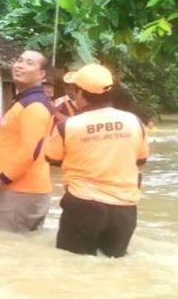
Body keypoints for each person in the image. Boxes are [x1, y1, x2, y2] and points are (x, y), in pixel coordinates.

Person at [44, 64, 149, 258]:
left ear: (81, 93)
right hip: (125, 209)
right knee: (114, 267)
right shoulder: (134, 121)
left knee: (73, 266)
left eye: (74, 91)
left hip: (83, 206)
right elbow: (141, 159)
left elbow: (51, 157)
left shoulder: (67, 125)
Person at [0, 50, 55, 233]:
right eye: (19, 60)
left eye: (29, 63)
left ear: (41, 74)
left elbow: (30, 151)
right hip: (18, 191)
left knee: (3, 251)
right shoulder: (23, 102)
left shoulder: (34, 105)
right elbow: (21, 145)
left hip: (21, 192)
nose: (20, 65)